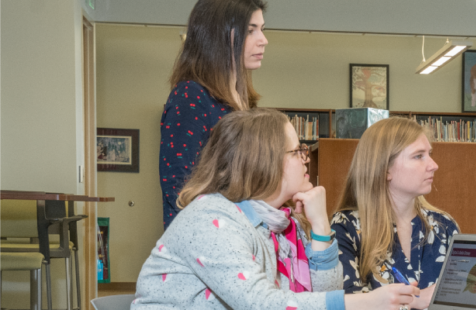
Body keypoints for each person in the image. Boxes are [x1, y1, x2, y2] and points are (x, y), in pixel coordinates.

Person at [135, 108, 421, 310]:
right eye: (297, 151)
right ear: (264, 161)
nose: (305, 159)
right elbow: (260, 304)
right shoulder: (208, 220)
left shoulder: (283, 223)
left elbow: (326, 293)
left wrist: (321, 227)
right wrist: (361, 303)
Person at [159, 0, 269, 229]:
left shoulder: (244, 102)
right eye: (250, 31)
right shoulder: (190, 96)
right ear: (219, 35)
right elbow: (179, 190)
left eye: (262, 29)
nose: (263, 40)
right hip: (204, 246)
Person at [330, 118, 460, 302]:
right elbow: (348, 304)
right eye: (418, 156)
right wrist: (416, 300)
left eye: (429, 153)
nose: (434, 165)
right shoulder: (346, 227)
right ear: (385, 170)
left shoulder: (444, 226)